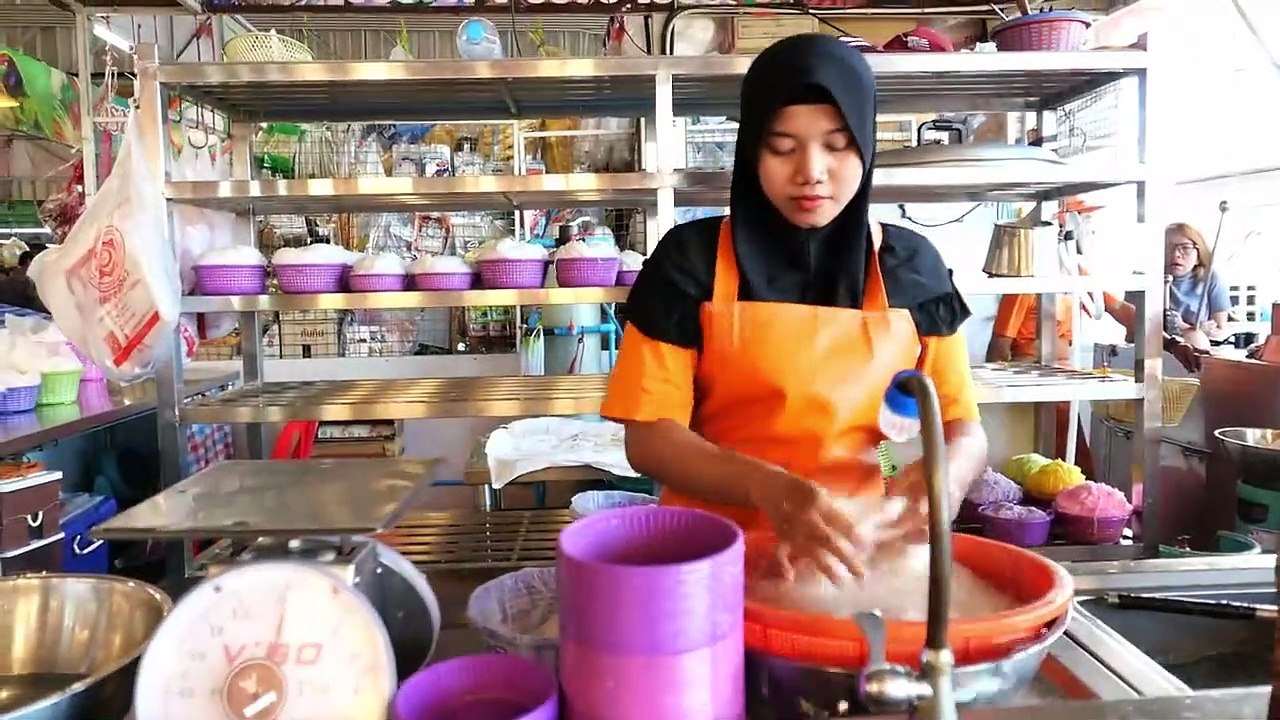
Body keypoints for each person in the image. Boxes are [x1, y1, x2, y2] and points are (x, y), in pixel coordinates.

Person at [600, 34, 988, 582]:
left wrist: (946, 477)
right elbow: (650, 437)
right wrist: (770, 488)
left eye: (837, 144)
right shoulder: (691, 262)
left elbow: (961, 426)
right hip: (712, 559)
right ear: (751, 149)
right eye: (782, 147)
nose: (811, 171)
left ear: (868, 145)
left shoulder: (910, 267)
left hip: (859, 556)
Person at [1107, 223, 1231, 350]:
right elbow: (1135, 328)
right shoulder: (1142, 279)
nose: (1176, 254)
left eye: (1185, 248)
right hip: (1150, 350)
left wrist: (1186, 328)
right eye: (1167, 247)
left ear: (1199, 255)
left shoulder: (1210, 278)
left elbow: (1220, 330)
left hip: (1198, 349)